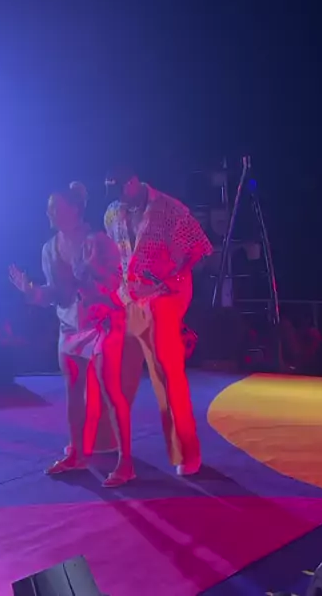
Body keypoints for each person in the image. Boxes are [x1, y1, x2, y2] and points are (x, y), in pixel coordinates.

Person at [9, 182, 134, 487]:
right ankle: (77, 453)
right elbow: (55, 293)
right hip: (70, 326)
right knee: (74, 394)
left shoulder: (98, 241)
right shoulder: (49, 248)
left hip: (103, 322)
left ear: (75, 210)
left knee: (110, 392)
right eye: (49, 208)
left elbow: (116, 283)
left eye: (55, 207)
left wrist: (93, 275)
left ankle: (126, 463)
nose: (49, 213)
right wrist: (32, 292)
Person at [104, 167, 213, 476]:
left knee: (167, 376)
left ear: (133, 181)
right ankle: (108, 441)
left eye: (119, 188)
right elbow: (115, 256)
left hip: (163, 298)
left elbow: (200, 249)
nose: (117, 198)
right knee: (114, 374)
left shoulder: (169, 209)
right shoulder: (112, 213)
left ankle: (187, 452)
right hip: (129, 298)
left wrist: (171, 278)